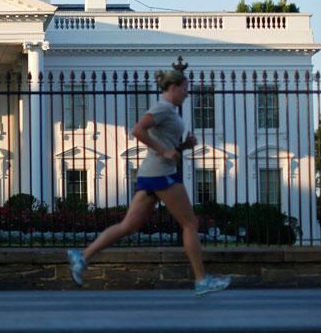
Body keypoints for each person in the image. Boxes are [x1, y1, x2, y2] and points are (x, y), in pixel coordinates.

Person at [67, 69, 230, 296]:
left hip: (152, 173)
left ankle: (82, 256)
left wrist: (183, 147)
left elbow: (163, 143)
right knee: (190, 224)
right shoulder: (162, 108)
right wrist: (164, 151)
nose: (187, 93)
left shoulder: (168, 109)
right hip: (161, 174)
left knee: (128, 226)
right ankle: (202, 280)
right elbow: (138, 130)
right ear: (173, 88)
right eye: (185, 88)